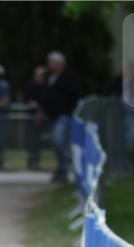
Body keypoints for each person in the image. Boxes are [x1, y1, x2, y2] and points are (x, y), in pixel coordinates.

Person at [40, 51, 80, 183]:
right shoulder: (50, 78)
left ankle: (63, 168)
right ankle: (61, 167)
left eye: (52, 62)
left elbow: (74, 96)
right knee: (56, 142)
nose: (49, 65)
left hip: (63, 115)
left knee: (59, 141)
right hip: (52, 116)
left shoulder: (68, 78)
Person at [24, 66, 46, 171]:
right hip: (31, 117)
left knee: (39, 140)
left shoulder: (46, 87)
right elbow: (27, 99)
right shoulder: (31, 85)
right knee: (31, 139)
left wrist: (40, 107)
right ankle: (31, 160)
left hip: (43, 118)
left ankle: (36, 160)